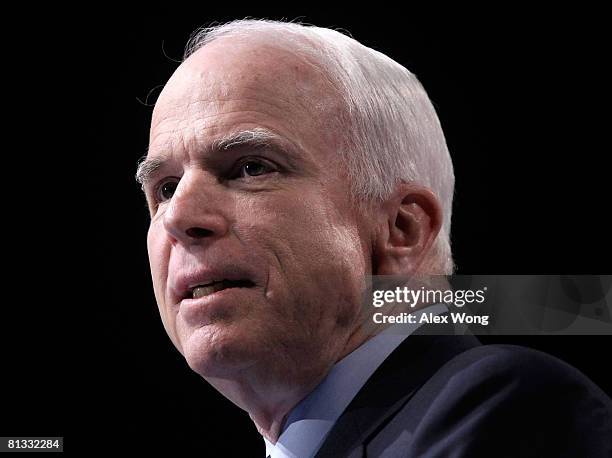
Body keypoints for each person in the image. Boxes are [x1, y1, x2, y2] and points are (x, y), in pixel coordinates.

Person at [136, 19, 612, 457]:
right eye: (165, 188)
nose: (179, 216)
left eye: (250, 167)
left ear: (402, 230)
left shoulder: (505, 407)